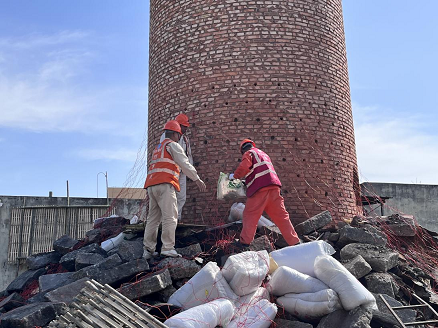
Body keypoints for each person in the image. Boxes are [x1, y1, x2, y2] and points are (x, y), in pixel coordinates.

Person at [143, 120, 206, 258]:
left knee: (153, 219)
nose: (180, 137)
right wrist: (196, 179)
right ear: (175, 134)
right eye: (179, 134)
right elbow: (185, 164)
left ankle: (148, 250)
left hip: (151, 186)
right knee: (170, 216)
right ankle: (167, 247)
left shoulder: (158, 147)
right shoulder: (173, 145)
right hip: (165, 185)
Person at [231, 139, 300, 246]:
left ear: (243, 150)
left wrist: (234, 176)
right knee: (282, 217)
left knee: (250, 215)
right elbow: (260, 172)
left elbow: (244, 167)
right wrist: (247, 181)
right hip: (274, 188)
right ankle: (295, 242)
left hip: (259, 190)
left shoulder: (249, 153)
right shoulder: (263, 154)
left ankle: (244, 243)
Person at [160, 113, 193, 221]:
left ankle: (177, 219)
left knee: (181, 197)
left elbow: (188, 156)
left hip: (181, 172)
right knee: (170, 197)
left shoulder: (185, 140)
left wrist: (190, 171)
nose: (186, 129)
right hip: (171, 172)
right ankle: (168, 220)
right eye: (184, 126)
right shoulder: (166, 137)